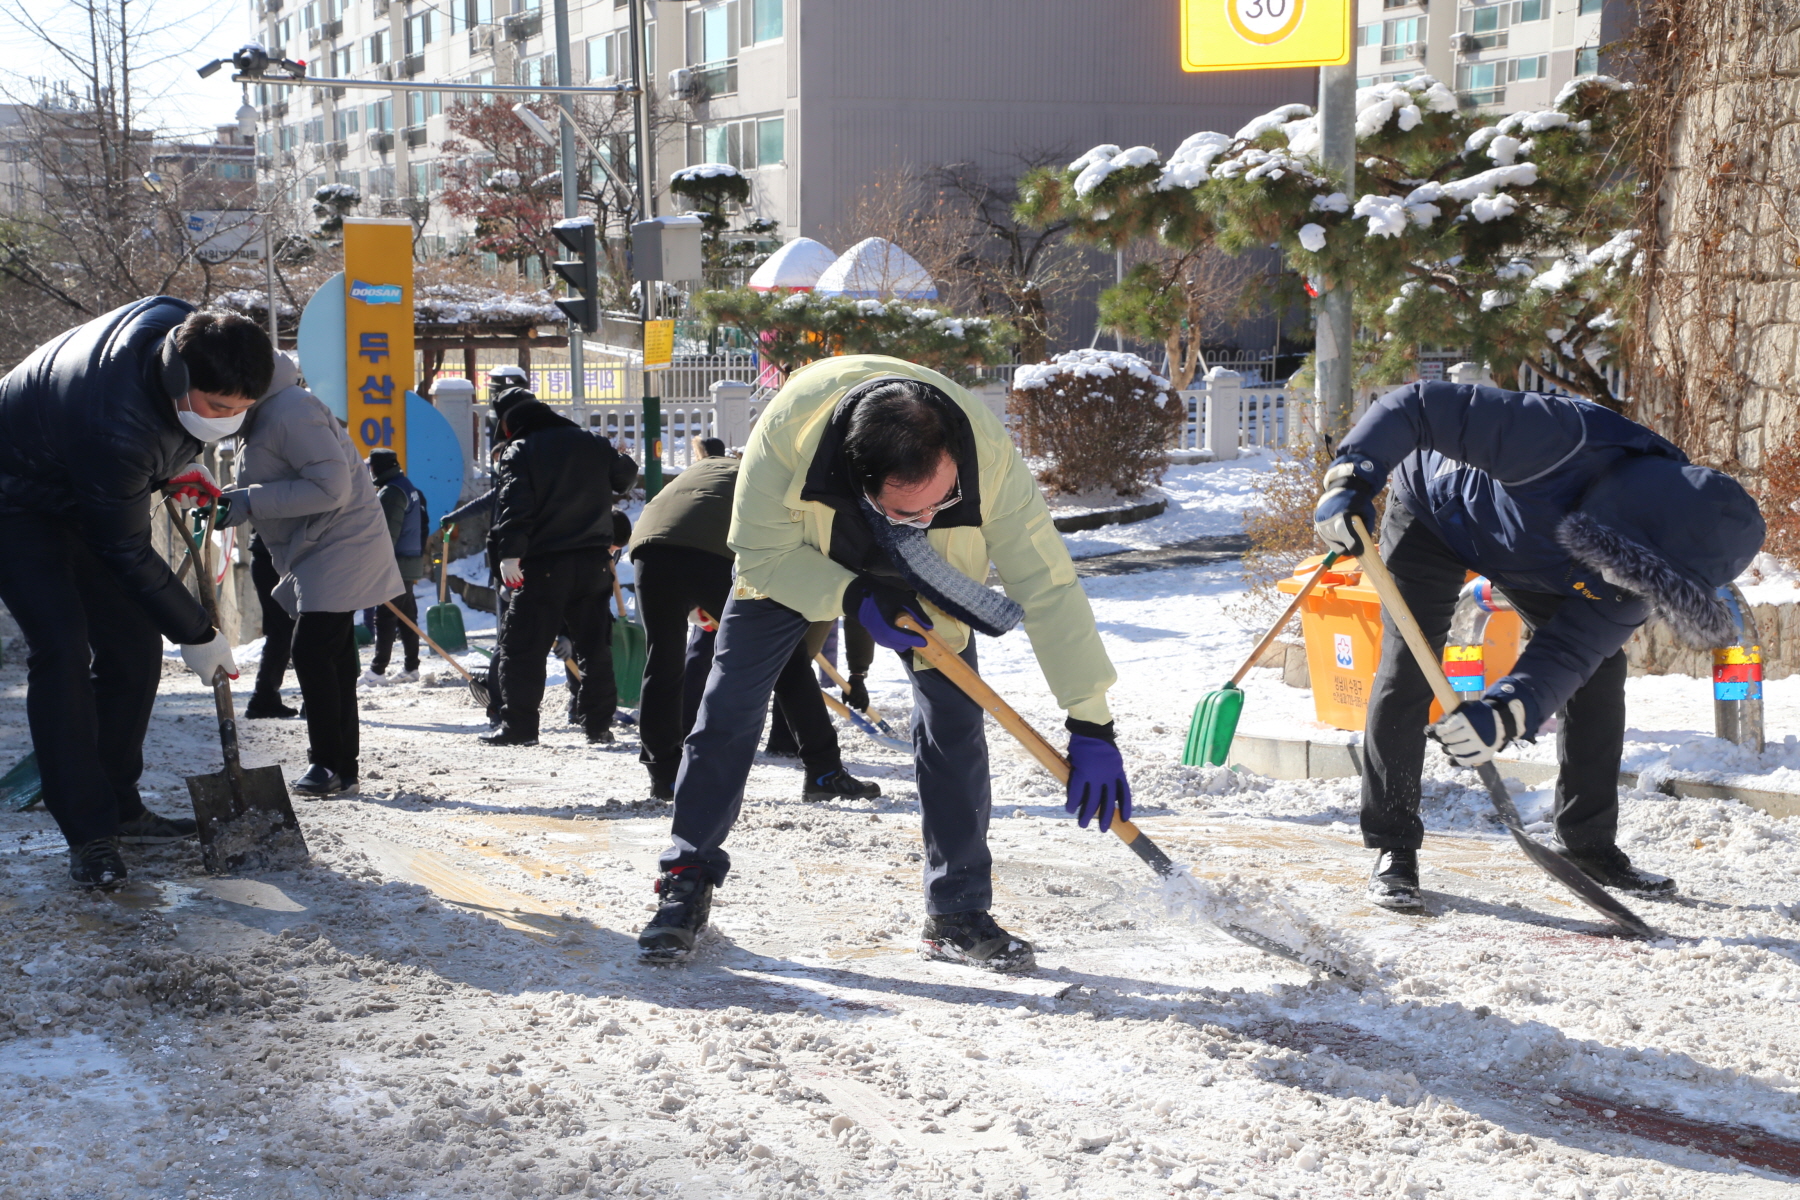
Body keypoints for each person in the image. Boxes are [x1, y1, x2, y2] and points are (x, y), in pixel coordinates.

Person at [636, 359, 1130, 971]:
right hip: (797, 559)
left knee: (954, 723)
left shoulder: (988, 457)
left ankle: (957, 912)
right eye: (905, 509)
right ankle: (687, 875)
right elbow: (761, 556)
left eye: (939, 499)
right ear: (857, 480)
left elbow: (1049, 584)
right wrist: (853, 596)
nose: (924, 514)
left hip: (931, 570)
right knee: (729, 704)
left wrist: (1091, 721)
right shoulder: (786, 435)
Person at [1312, 380, 1765, 909]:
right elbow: (1415, 406)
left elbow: (1570, 654)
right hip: (1435, 514)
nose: (1626, 588)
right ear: (1627, 532)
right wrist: (1353, 477)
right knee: (1409, 668)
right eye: (1625, 569)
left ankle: (1587, 842)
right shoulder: (1560, 439)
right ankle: (1394, 846)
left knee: (1599, 675)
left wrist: (1503, 716)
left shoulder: (1641, 578)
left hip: (1542, 556)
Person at [0, 301, 272, 887]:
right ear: (177, 377)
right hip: (15, 497)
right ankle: (89, 832)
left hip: (87, 485)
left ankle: (120, 804)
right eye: (219, 408)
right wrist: (199, 631)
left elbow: (149, 447)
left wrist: (171, 467)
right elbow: (124, 548)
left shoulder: (188, 329)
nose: (228, 421)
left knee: (134, 648)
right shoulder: (114, 424)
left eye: (241, 411)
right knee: (63, 647)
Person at [628, 441, 881, 804]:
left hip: (650, 546)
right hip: (711, 550)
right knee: (785, 657)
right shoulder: (793, 491)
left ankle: (665, 777)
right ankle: (824, 771)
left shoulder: (710, 470)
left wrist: (697, 600)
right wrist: (856, 669)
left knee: (663, 661)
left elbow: (684, 527)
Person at [215, 353, 403, 797]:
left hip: (340, 542)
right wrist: (228, 498)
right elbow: (274, 479)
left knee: (314, 649)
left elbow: (330, 488)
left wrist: (249, 501)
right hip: (316, 547)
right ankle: (342, 766)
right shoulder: (263, 414)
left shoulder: (291, 409)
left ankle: (326, 763)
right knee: (333, 656)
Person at [482, 397, 637, 747]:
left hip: (544, 564)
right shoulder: (591, 442)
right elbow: (624, 478)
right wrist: (619, 456)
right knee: (595, 648)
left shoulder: (520, 449)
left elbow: (513, 504)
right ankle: (598, 725)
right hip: (594, 563)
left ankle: (519, 727)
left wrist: (509, 554)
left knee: (522, 647)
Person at [365, 447, 427, 683]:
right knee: (406, 616)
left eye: (371, 466)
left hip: (396, 564)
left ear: (377, 467)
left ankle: (378, 671)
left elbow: (386, 534)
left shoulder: (391, 492)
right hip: (408, 561)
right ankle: (411, 667)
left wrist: (378, 564)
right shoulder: (405, 485)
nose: (369, 471)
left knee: (386, 616)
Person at [243, 531, 299, 719]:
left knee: (281, 633)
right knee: (295, 632)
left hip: (270, 559)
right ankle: (316, 700)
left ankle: (263, 700)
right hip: (275, 561)